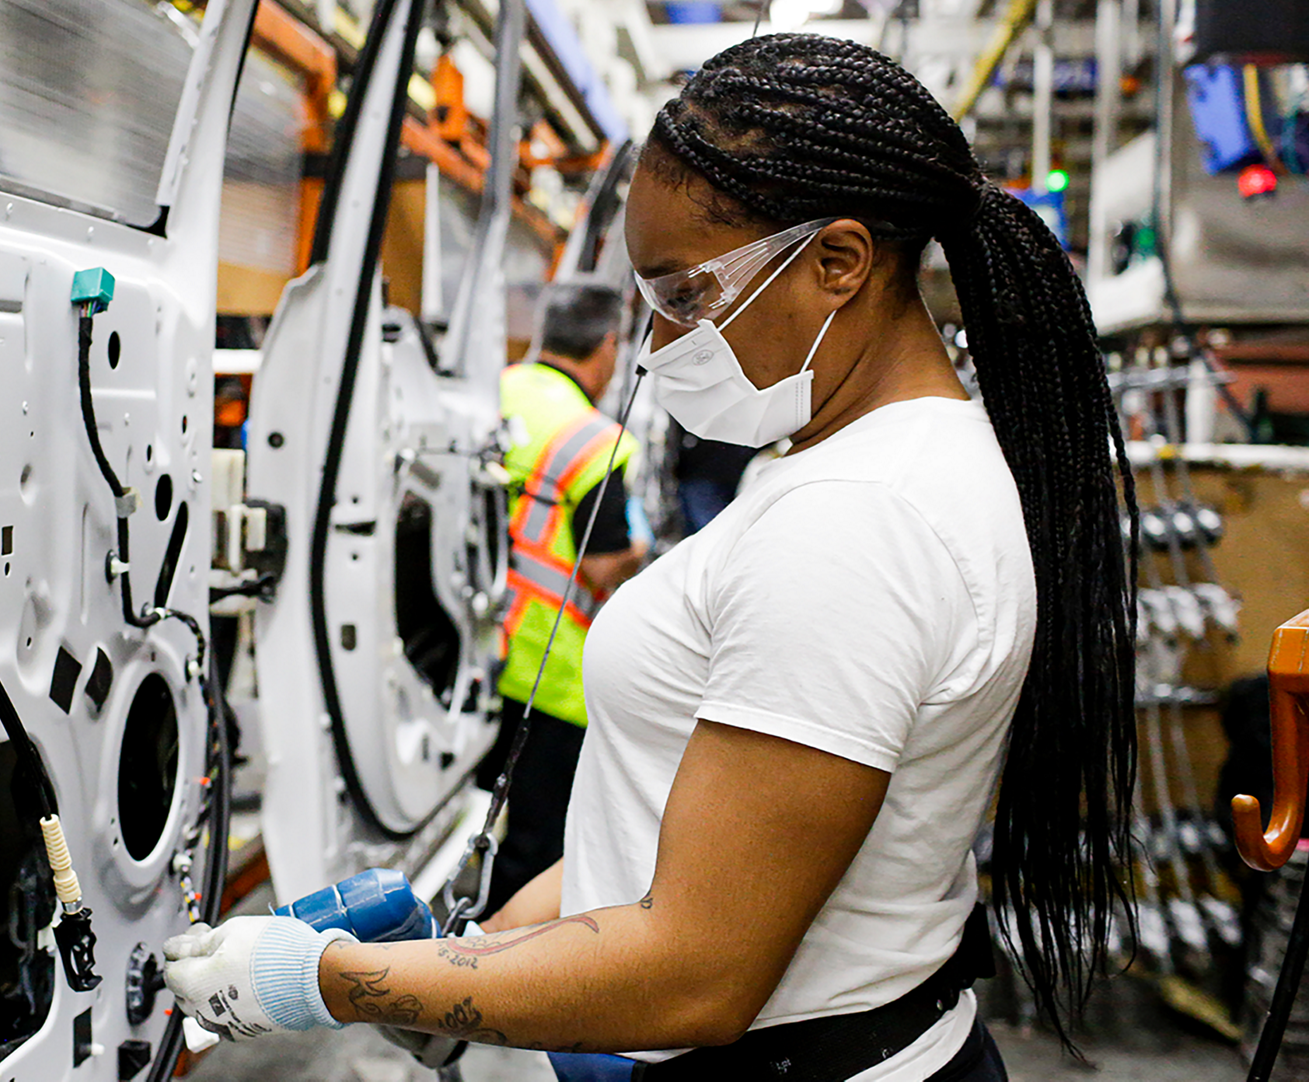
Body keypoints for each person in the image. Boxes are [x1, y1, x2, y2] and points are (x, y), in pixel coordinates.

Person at [165, 34, 1136, 1082]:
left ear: (838, 262)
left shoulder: (857, 524)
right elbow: (650, 840)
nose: (659, 350)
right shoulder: (850, 460)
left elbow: (694, 970)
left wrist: (323, 980)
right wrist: (467, 968)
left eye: (684, 297)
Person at [482, 280, 647, 916]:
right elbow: (604, 565)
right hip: (549, 673)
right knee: (536, 843)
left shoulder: (492, 391)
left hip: (470, 656)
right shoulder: (596, 440)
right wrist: (641, 555)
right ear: (609, 345)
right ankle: (497, 966)